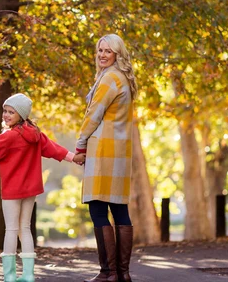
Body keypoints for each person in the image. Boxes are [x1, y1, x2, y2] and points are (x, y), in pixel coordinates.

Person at [0, 93, 86, 282]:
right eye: (5, 111)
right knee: (25, 228)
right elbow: (54, 149)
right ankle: (29, 275)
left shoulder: (10, 136)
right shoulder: (36, 134)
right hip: (30, 190)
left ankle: (10, 277)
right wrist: (74, 157)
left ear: (21, 115)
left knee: (11, 230)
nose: (6, 115)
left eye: (11, 112)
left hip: (13, 190)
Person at [75, 34, 138, 282]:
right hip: (121, 152)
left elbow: (93, 114)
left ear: (117, 54)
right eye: (100, 50)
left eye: (107, 51)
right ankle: (123, 273)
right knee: (119, 209)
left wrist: (80, 144)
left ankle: (108, 272)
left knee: (98, 209)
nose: (102, 55)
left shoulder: (110, 78)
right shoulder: (123, 78)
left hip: (103, 150)